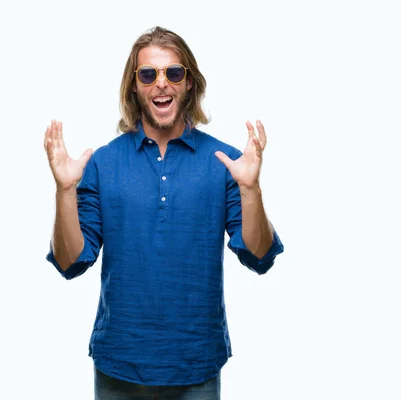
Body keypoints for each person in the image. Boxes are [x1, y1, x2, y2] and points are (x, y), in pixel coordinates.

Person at [43, 26, 284, 399]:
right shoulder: (104, 162)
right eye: (148, 74)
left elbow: (258, 256)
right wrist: (64, 191)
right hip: (118, 365)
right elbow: (69, 262)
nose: (161, 84)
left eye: (174, 73)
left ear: (189, 83)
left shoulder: (225, 162)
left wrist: (250, 189)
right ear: (134, 87)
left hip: (196, 365)